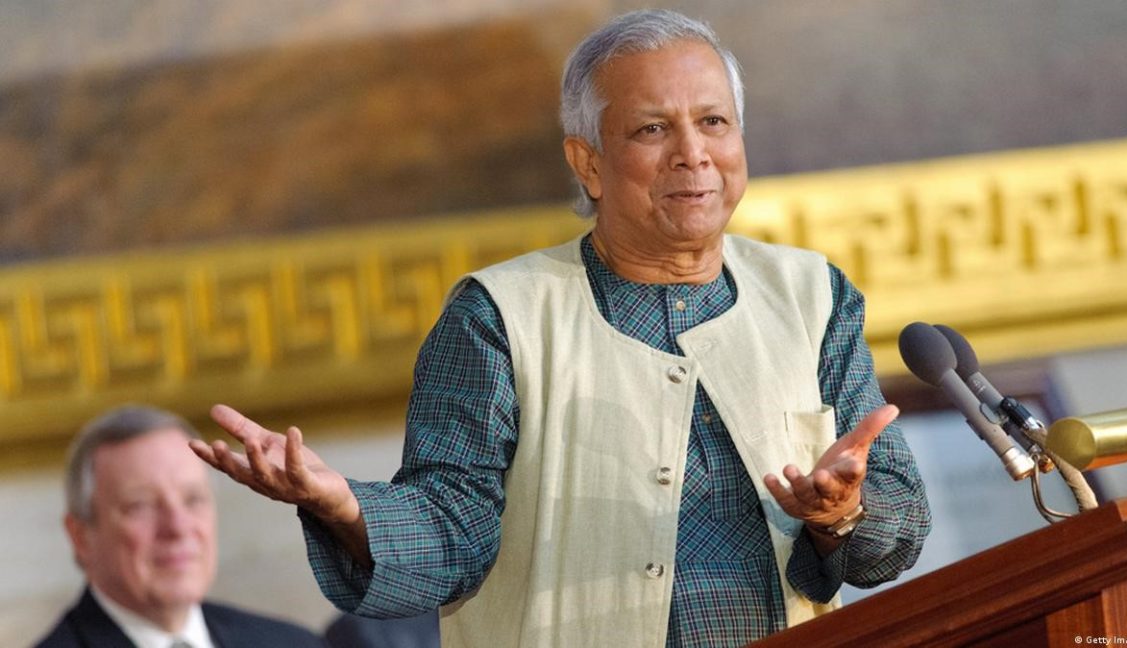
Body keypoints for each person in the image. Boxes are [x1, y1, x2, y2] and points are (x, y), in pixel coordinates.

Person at [191, 8, 931, 647]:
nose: (693, 153)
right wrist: (348, 507)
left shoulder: (812, 295)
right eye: (653, 129)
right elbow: (452, 529)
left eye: (714, 122)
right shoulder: (497, 316)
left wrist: (843, 513)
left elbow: (892, 531)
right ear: (589, 162)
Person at [32, 404, 327, 648]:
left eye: (193, 499)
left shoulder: (295, 643)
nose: (178, 526)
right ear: (81, 536)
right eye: (140, 505)